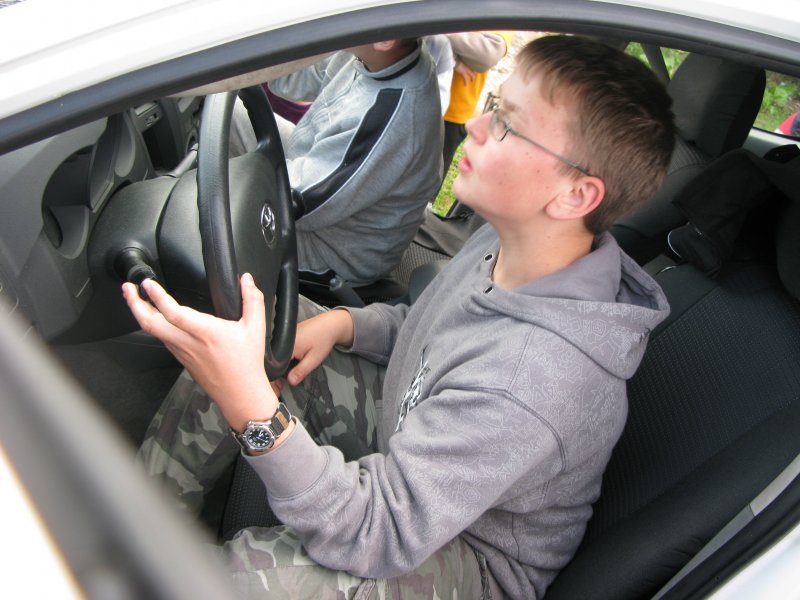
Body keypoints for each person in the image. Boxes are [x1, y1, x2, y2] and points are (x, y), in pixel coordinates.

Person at [125, 35, 675, 599]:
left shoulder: (530, 381)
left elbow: (377, 531)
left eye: (507, 124)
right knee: (260, 338)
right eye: (493, 107)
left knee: (250, 576)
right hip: (412, 440)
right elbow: (432, 330)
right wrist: (346, 324)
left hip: (465, 555)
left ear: (574, 196)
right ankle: (138, 532)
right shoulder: (515, 242)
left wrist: (252, 411)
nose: (475, 127)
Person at [231, 39, 444, 287]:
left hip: (331, 249)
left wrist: (230, 182)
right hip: (314, 170)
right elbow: (296, 77)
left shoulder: (390, 116)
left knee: (218, 226)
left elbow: (301, 204)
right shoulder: (368, 54)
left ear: (385, 41)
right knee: (226, 113)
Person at [442, 31, 515, 170]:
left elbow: (486, 55)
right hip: (417, 96)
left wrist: (437, 32)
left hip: (452, 113)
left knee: (429, 177)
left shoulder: (500, 21)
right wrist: (456, 58)